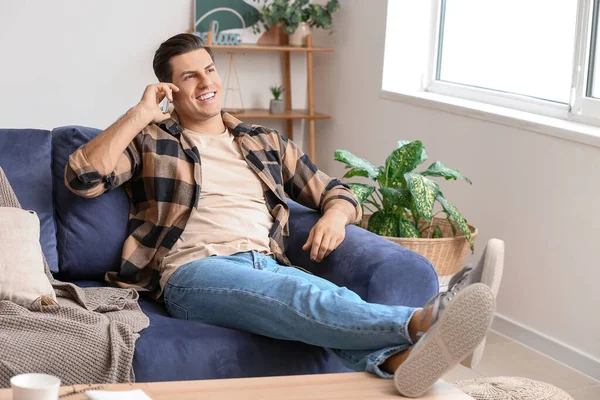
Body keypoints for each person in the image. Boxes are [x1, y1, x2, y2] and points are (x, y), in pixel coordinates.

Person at [65, 33, 497, 397]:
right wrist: (140, 113)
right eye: (189, 76)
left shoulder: (264, 142)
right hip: (193, 273)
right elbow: (82, 177)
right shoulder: (149, 140)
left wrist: (334, 217)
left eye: (209, 69)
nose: (205, 82)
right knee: (305, 299)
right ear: (169, 89)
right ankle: (426, 320)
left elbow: (339, 191)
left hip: (264, 263)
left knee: (335, 302)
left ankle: (403, 363)